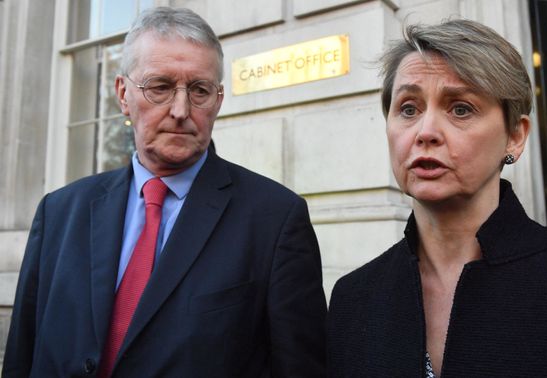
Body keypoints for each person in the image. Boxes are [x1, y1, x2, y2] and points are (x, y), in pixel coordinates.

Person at [3, 7, 326, 377]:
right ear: (123, 94)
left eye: (199, 90)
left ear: (218, 101)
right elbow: (21, 360)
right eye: (160, 87)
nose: (180, 109)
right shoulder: (58, 213)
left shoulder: (275, 220)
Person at [327, 19, 547, 377]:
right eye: (409, 108)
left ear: (515, 135)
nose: (426, 132)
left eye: (460, 108)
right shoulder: (353, 299)